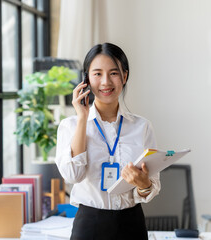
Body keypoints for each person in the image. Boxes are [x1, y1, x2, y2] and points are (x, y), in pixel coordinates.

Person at [55, 43, 161, 240]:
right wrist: (82, 118)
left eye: (113, 73)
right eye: (97, 74)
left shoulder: (142, 127)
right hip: (89, 225)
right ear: (86, 79)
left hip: (132, 225)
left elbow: (152, 186)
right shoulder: (70, 126)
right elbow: (73, 176)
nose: (105, 82)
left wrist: (143, 184)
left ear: (125, 76)